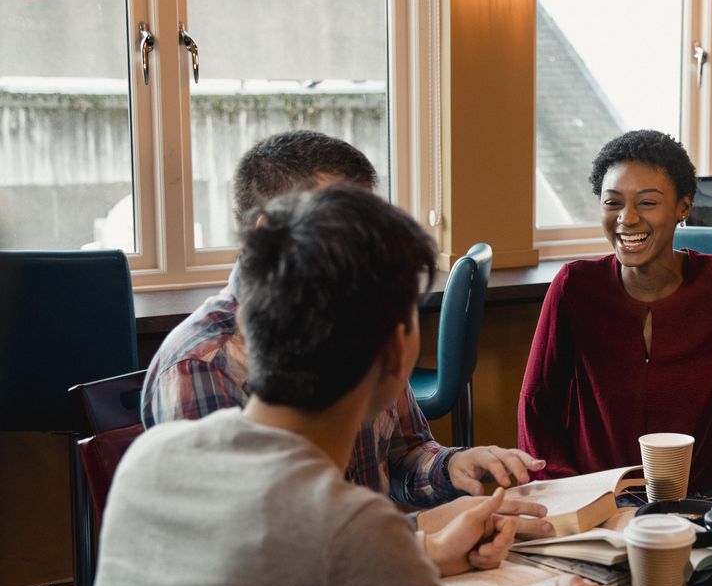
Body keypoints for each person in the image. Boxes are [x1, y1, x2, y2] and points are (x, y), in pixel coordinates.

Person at [90, 185, 618, 586]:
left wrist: (423, 553)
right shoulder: (353, 530)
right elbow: (325, 549)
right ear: (396, 352)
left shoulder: (149, 460)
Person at [141, 130, 550, 531]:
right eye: (346, 223)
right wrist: (418, 537)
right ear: (268, 233)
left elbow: (403, 452)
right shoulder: (201, 365)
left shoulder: (361, 315)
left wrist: (452, 466)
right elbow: (249, 551)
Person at [518, 129, 712, 497]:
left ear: (683, 207)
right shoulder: (574, 286)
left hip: (699, 498)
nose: (627, 218)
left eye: (648, 203)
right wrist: (567, 493)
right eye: (612, 202)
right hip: (597, 500)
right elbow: (536, 403)